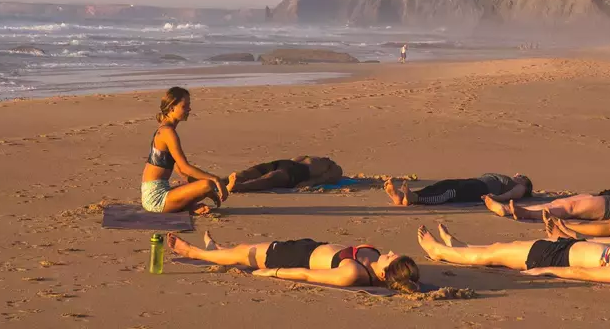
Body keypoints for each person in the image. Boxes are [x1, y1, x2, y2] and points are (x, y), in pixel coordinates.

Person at [416, 223, 610, 286]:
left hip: (554, 258)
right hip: (562, 246)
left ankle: (439, 252)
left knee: (494, 254)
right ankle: (458, 246)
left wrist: (545, 270)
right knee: (501, 246)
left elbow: (582, 273)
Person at [166, 231, 420, 292]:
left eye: (391, 257)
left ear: (385, 274)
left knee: (245, 252)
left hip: (292, 258)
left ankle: (194, 253)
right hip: (309, 246)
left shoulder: (352, 273)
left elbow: (307, 275)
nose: (390, 251)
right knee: (242, 251)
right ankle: (219, 251)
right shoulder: (374, 264)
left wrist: (273, 272)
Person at [140, 87, 229, 215]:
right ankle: (187, 207)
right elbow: (185, 167)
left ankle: (188, 207)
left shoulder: (166, 129)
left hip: (158, 191)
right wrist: (216, 180)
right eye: (185, 106)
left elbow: (179, 169)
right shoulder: (168, 132)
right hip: (156, 199)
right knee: (207, 184)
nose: (189, 109)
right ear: (172, 108)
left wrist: (201, 191)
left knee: (203, 186)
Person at [384, 173, 532, 206]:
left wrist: (495, 198)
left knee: (449, 193)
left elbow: (512, 195)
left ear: (525, 184)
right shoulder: (514, 182)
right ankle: (405, 197)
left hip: (480, 188)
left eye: (522, 176)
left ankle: (416, 199)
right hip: (475, 182)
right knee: (443, 184)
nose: (518, 174)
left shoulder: (520, 187)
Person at [228, 155, 343, 193]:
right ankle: (219, 183)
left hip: (299, 171)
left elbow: (327, 178)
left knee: (271, 178)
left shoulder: (335, 168)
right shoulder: (314, 158)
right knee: (246, 173)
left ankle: (239, 187)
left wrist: (310, 183)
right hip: (283, 163)